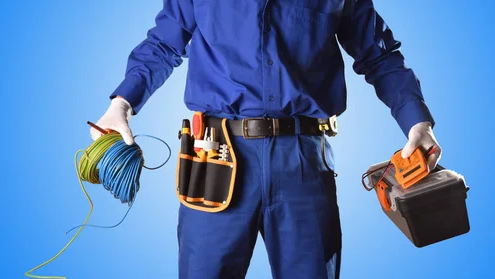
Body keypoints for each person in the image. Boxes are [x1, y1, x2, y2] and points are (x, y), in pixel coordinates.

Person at [90, 1, 442, 278]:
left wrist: (417, 123)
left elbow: (380, 55)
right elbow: (163, 45)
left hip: (304, 161)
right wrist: (121, 103)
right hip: (216, 158)